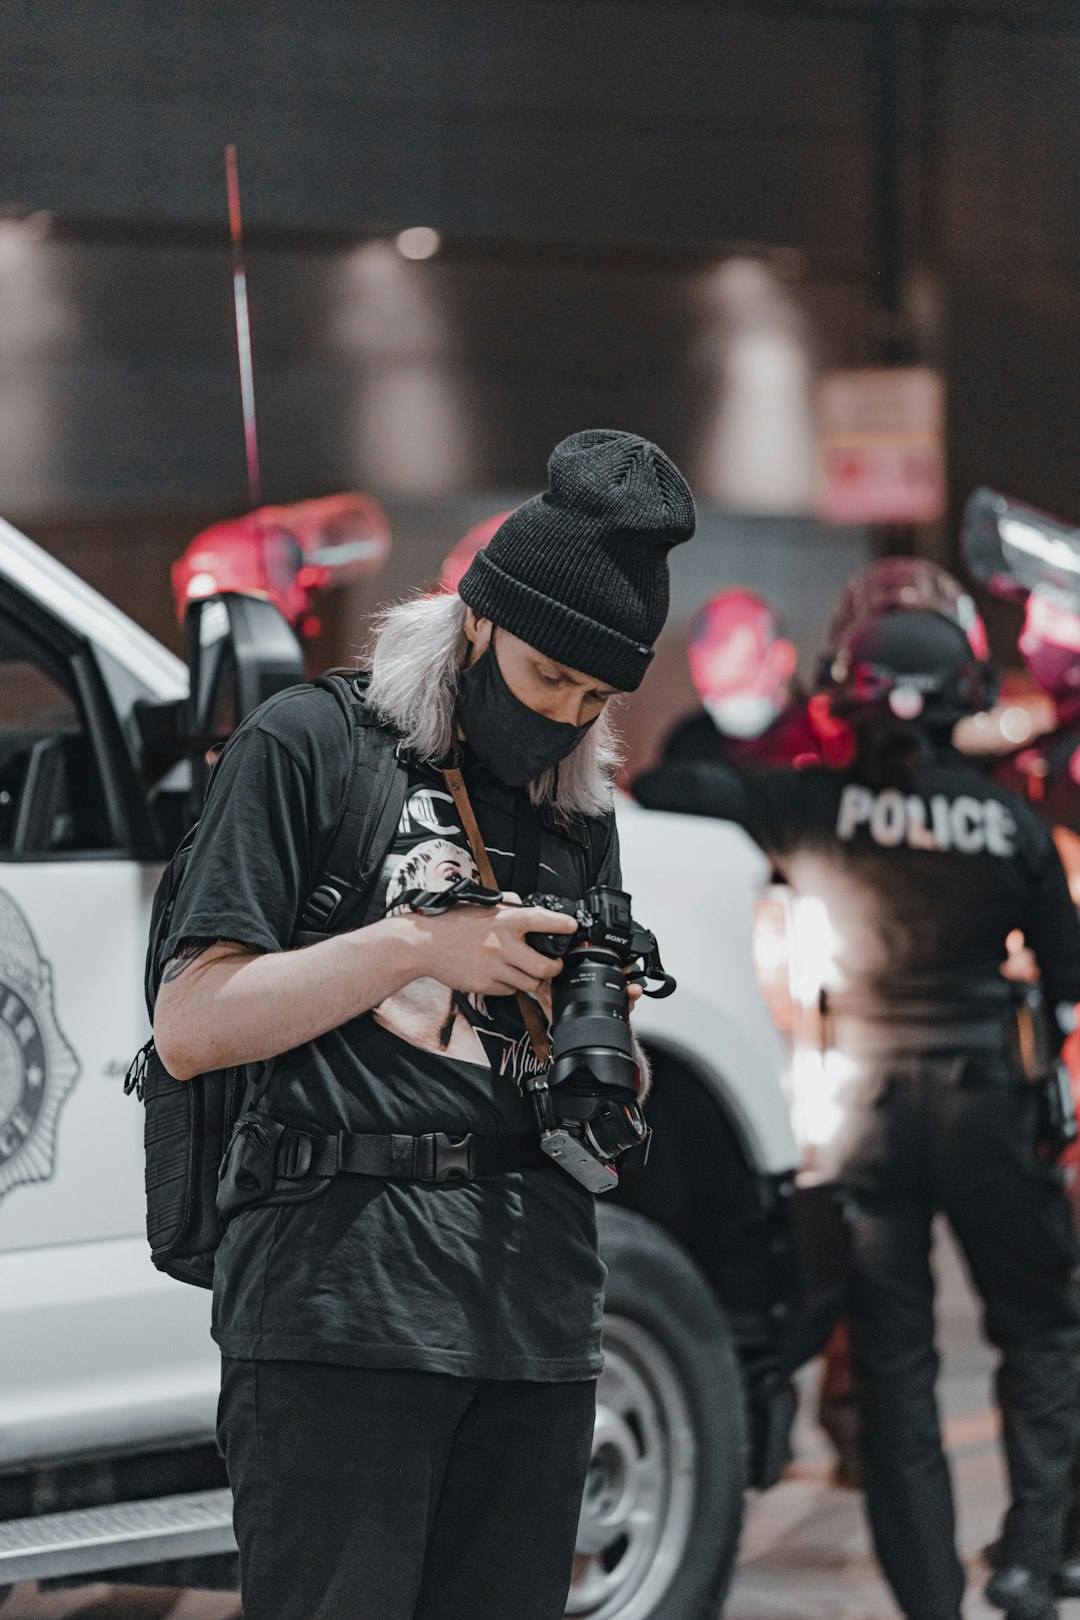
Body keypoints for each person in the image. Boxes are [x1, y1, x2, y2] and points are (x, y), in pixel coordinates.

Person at [151, 428, 696, 1620]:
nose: (568, 717)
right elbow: (192, 1024)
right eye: (554, 678)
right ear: (481, 620)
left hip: (534, 1318)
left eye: (600, 697)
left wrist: (602, 1045)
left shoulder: (574, 804)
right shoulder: (310, 747)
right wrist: (416, 944)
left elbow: (594, 1081)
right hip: (339, 1310)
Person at [635, 560, 1080, 1620]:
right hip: (991, 1106)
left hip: (868, 1112)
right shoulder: (1008, 825)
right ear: (971, 686)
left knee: (895, 1368)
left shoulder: (813, 804)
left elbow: (671, 790)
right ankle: (1029, 1559)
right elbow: (1068, 993)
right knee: (1044, 1331)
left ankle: (928, 1601)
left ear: (847, 688)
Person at [662, 587, 822, 768]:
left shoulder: (824, 739)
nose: (727, 701)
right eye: (711, 689)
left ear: (782, 659)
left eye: (741, 682)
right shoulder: (688, 744)